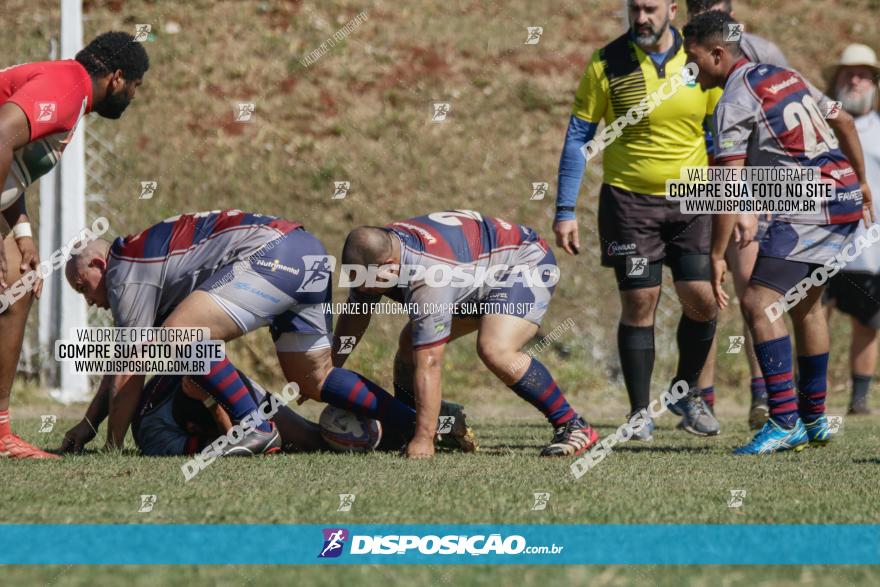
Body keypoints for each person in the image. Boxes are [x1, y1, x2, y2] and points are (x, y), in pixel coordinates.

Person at [61, 209, 471, 456]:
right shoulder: (143, 255)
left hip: (271, 255)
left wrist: (111, 446)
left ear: (98, 264)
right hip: (305, 249)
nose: (88, 299)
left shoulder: (125, 268)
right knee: (314, 378)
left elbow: (130, 367)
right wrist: (90, 422)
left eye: (82, 286)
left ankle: (253, 427)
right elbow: (126, 364)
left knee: (177, 337)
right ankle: (422, 426)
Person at [684, 11, 873, 453]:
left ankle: (784, 419)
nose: (688, 69)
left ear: (717, 53)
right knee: (806, 307)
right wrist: (862, 182)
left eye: (692, 58)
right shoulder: (781, 75)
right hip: (841, 197)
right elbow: (843, 120)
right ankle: (814, 419)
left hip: (811, 206)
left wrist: (715, 256)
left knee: (759, 301)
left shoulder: (732, 100)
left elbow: (729, 185)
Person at [553, 0, 720, 440]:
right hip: (630, 202)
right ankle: (638, 412)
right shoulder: (607, 61)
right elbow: (578, 138)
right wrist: (565, 210)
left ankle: (687, 393)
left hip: (693, 198)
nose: (641, 18)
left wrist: (738, 202)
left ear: (671, 8)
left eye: (650, 8)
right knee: (640, 301)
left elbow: (723, 133)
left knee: (702, 299)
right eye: (634, 8)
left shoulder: (700, 56)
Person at [333, 209, 599, 458]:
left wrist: (423, 441)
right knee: (409, 346)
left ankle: (572, 425)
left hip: (522, 261)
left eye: (369, 287)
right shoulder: (373, 255)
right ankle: (409, 426)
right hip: (474, 271)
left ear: (390, 265)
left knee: (495, 348)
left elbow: (431, 361)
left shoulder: (428, 276)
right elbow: (357, 312)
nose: (364, 292)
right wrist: (329, 371)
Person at [0, 31, 149, 458]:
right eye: (136, 86)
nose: (134, 97)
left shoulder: (71, 91)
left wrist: (23, 233)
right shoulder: (67, 87)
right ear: (118, 78)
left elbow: (11, 165)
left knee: (19, 281)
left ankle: (2, 433)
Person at [686, 0, 790, 429]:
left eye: (715, 2)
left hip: (746, 187)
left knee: (754, 292)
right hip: (694, 184)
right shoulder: (678, 58)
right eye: (697, 2)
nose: (707, 7)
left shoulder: (762, 52)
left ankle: (764, 397)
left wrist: (762, 193)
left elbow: (784, 121)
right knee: (701, 295)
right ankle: (700, 399)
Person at [62, 369, 326, 456]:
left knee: (312, 438)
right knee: (260, 443)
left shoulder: (203, 373)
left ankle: (357, 433)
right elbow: (231, 447)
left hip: (216, 389)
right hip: (198, 417)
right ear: (193, 427)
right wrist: (211, 404)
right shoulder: (156, 435)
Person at [821, 43, 880, 415]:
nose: (855, 80)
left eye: (862, 74)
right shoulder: (819, 127)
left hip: (871, 247)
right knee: (814, 314)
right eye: (848, 73)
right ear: (837, 80)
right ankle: (811, 394)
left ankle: (859, 399)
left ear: (874, 83)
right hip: (824, 242)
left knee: (868, 322)